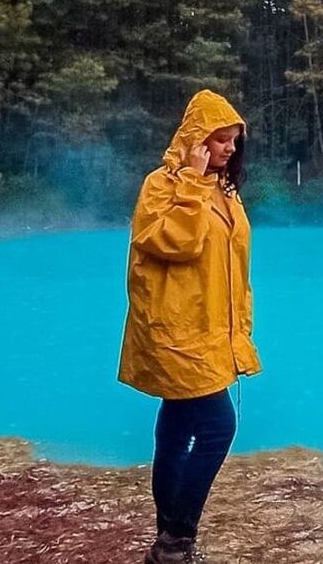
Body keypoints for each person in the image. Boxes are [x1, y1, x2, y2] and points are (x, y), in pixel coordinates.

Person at [118, 89, 262, 563]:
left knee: (177, 431)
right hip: (176, 333)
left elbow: (235, 264)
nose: (229, 148)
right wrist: (191, 183)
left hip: (210, 331)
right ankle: (177, 539)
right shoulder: (162, 185)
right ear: (195, 140)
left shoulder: (225, 190)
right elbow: (176, 243)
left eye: (234, 140)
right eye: (220, 139)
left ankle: (169, 543)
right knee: (219, 427)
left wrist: (240, 327)